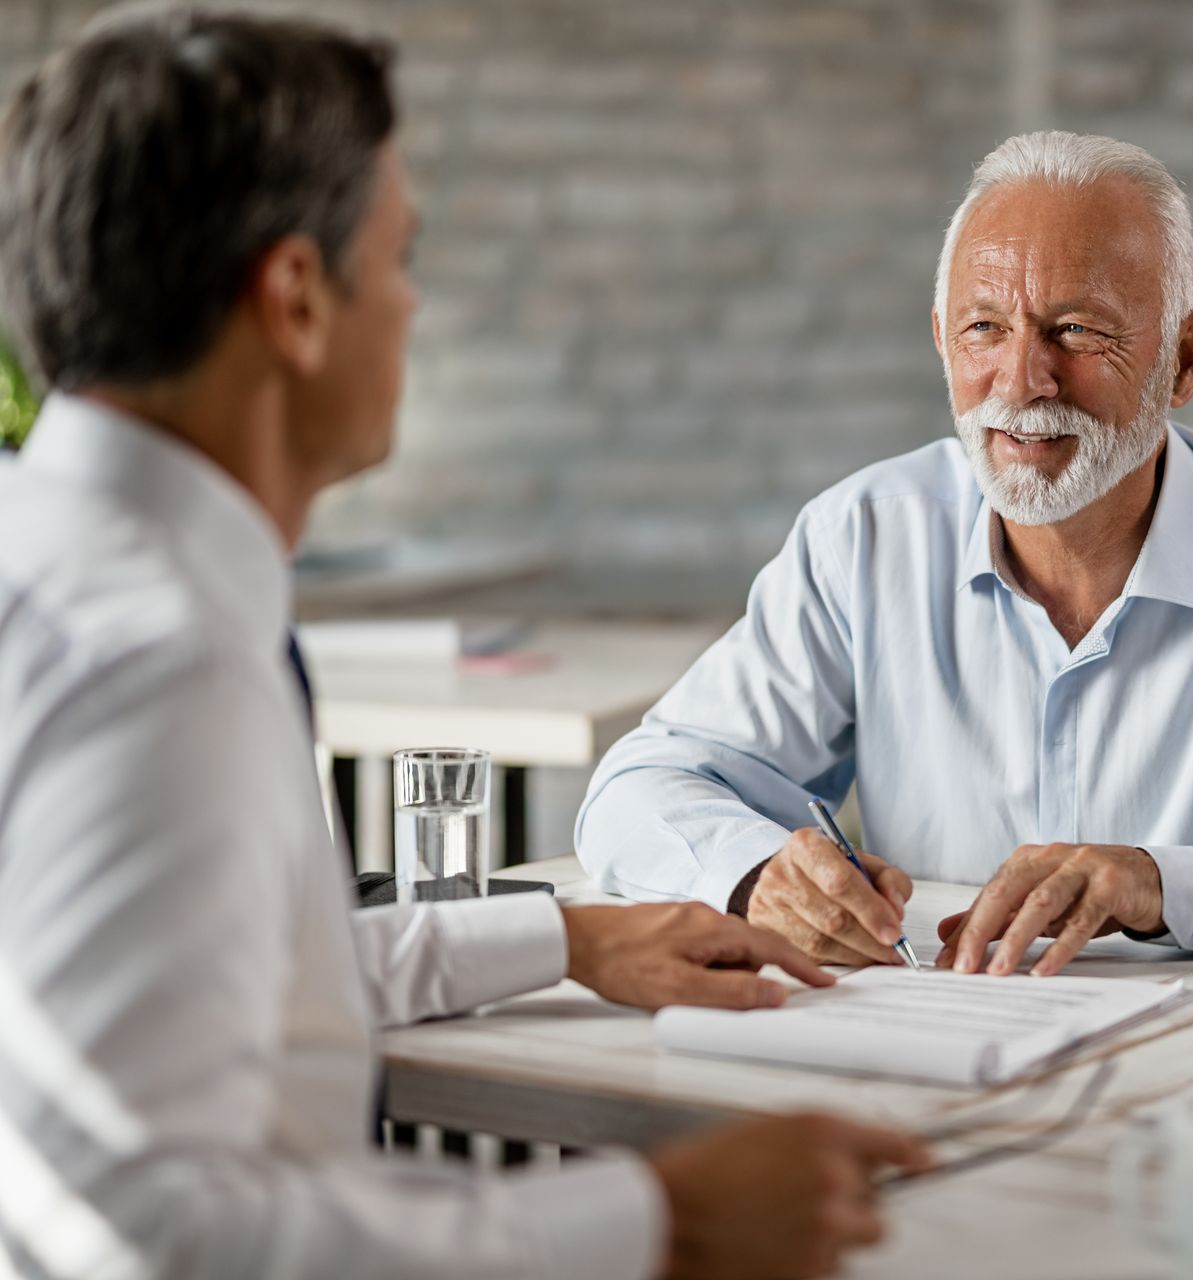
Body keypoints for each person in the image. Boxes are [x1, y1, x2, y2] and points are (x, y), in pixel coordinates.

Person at [0, 11, 924, 1280]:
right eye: (401, 258)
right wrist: (659, 1224)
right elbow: (139, 1232)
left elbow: (221, 989)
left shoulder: (52, 561)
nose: (416, 303)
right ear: (298, 299)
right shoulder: (161, 664)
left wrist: (570, 937)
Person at [576, 130, 1193, 976]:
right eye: (983, 328)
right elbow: (637, 790)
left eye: (1077, 329)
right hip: (928, 1089)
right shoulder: (864, 539)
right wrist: (757, 874)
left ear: (1185, 358)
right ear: (940, 341)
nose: (1023, 377)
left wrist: (1168, 881)